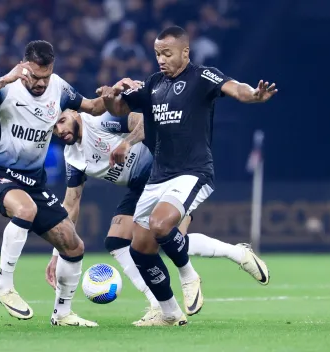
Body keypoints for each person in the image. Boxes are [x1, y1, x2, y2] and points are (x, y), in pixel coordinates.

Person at [96, 26, 276, 326]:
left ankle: (188, 275)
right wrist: (110, 96)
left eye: (167, 53)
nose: (161, 60)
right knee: (141, 250)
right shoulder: (153, 84)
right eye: (157, 54)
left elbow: (236, 88)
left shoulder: (202, 77)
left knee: (161, 225)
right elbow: (118, 107)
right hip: (158, 176)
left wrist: (253, 95)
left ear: (185, 52)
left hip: (193, 172)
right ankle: (169, 314)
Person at [45, 109, 272, 326]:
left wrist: (127, 143)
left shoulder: (100, 120)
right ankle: (158, 304)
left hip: (163, 171)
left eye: (62, 120)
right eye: (53, 127)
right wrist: (59, 251)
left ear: (74, 113)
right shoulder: (73, 157)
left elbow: (143, 122)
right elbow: (71, 204)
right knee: (118, 241)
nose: (59, 129)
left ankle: (237, 254)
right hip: (139, 186)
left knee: (166, 239)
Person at [0, 40, 106, 327]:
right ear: (24, 65)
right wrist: (5, 77)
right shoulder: (8, 87)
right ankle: (4, 285)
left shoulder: (59, 87)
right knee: (25, 210)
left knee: (73, 245)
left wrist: (115, 93)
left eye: (47, 75)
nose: (41, 83)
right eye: (36, 76)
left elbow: (92, 107)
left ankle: (63, 314)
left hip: (34, 182)